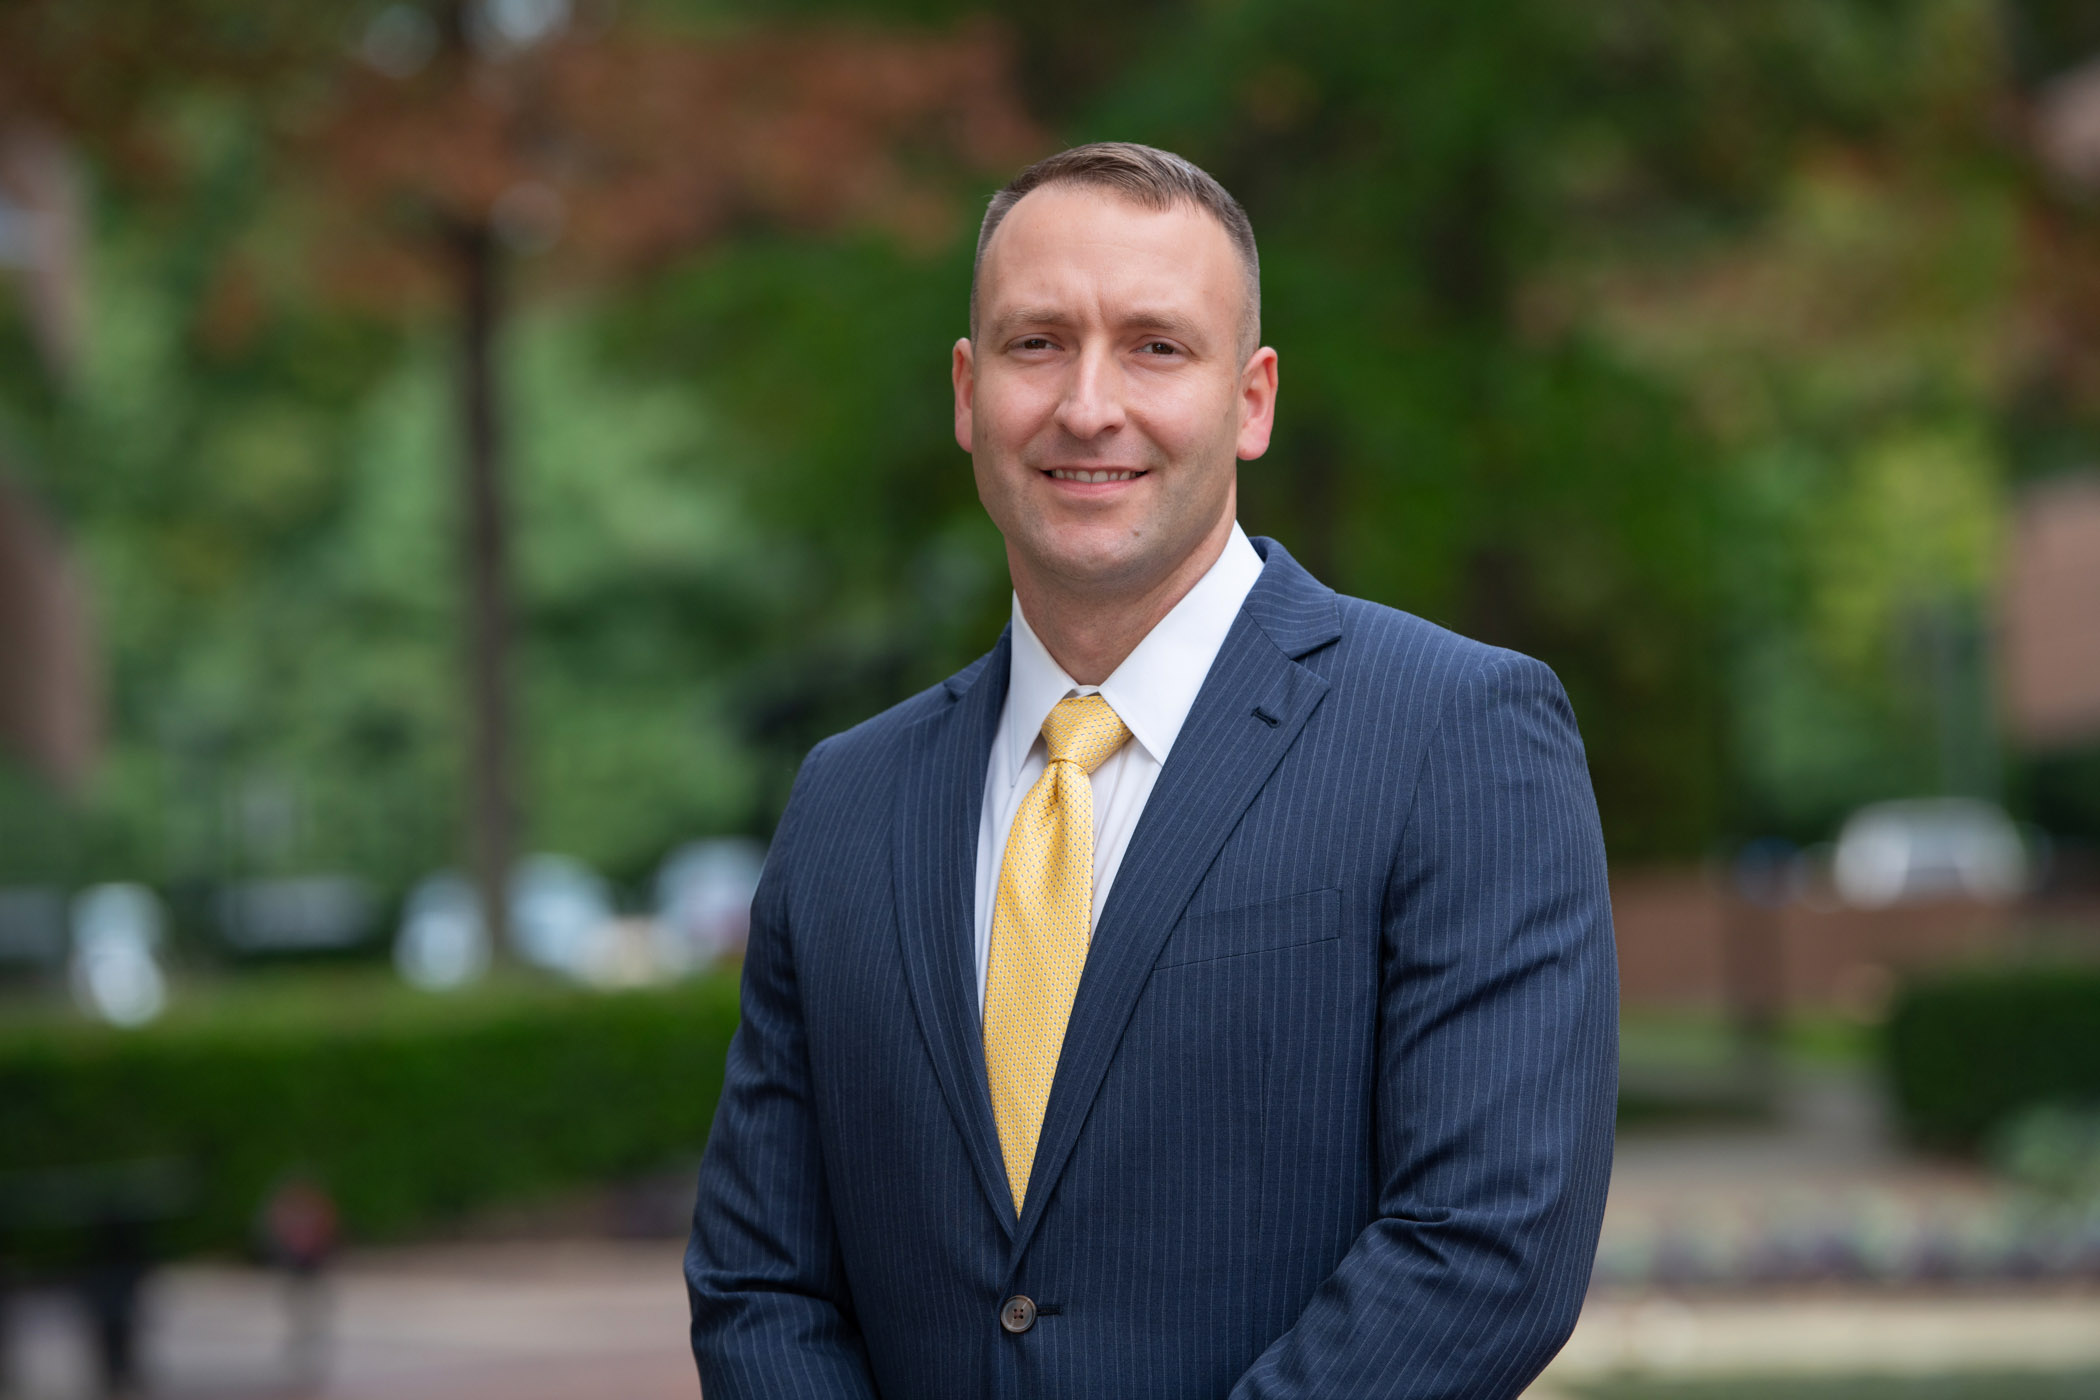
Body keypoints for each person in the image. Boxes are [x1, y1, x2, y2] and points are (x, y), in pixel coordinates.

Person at [686, 141, 1617, 1400]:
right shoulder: (847, 800)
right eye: (1036, 343)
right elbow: (762, 1283)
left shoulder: (1456, 733)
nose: (1086, 404)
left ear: (1252, 399)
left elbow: (1487, 1245)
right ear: (967, 392)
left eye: (1155, 346)